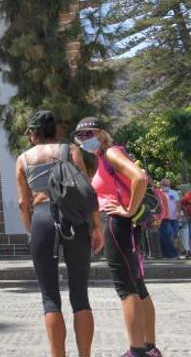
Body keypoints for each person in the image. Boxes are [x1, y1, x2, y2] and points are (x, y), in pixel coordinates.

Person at [72, 116, 161, 357]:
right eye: (79, 137)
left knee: (126, 288)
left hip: (118, 224)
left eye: (88, 135)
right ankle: (150, 348)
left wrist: (128, 209)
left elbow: (139, 178)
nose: (83, 140)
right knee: (138, 286)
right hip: (125, 226)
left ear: (101, 134)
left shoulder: (110, 154)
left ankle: (136, 350)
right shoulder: (106, 157)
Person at [18, 110, 104, 357]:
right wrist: (96, 225)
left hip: (42, 218)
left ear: (33, 133)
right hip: (74, 219)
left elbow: (24, 203)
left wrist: (30, 230)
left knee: (50, 298)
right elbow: (87, 190)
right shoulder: (70, 151)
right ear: (55, 130)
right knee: (80, 296)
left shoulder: (23, 158)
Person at [158, 179, 181, 259]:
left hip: (173, 217)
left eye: (167, 184)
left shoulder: (173, 192)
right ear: (161, 185)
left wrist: (178, 212)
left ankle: (173, 251)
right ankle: (172, 252)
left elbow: (178, 203)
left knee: (174, 234)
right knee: (169, 234)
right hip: (165, 218)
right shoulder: (159, 193)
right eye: (164, 184)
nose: (165, 186)